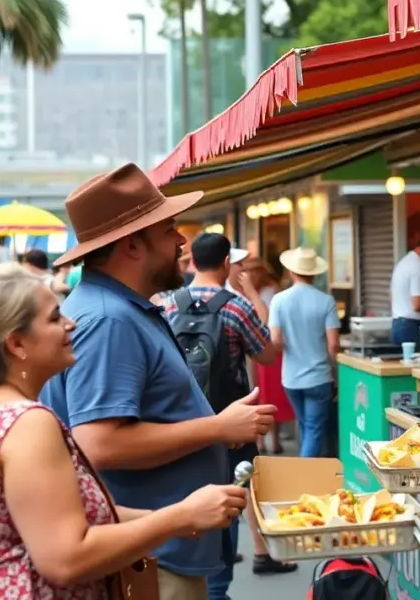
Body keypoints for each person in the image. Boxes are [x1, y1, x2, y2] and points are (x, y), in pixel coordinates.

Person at [40, 163, 277, 600]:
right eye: (169, 229)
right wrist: (218, 428)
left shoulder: (120, 310)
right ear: (132, 245)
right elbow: (100, 443)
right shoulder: (109, 320)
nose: (181, 241)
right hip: (152, 558)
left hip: (160, 550)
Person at [0, 263, 246, 597]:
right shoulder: (26, 423)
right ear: (16, 344)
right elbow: (66, 558)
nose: (71, 323)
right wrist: (179, 518)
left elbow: (55, 518)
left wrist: (178, 517)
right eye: (55, 318)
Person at [162, 233, 294, 597]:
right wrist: (251, 296)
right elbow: (267, 355)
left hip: (180, 422)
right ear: (225, 264)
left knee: (186, 494)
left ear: (192, 262)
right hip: (231, 421)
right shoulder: (235, 307)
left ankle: (193, 578)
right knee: (231, 495)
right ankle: (218, 587)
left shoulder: (167, 304)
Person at [269, 247, 341, 458]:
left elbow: (275, 340)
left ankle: (305, 470)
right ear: (315, 273)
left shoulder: (279, 300)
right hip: (318, 378)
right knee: (313, 429)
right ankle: (304, 477)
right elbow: (333, 345)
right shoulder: (326, 301)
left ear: (292, 272)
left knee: (306, 426)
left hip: (290, 378)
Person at [240, 257, 293, 455]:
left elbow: (267, 320)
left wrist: (252, 293)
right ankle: (261, 441)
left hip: (268, 348)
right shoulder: (243, 291)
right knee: (258, 394)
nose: (248, 274)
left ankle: (272, 439)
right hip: (252, 349)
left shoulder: (271, 291)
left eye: (253, 270)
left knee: (269, 395)